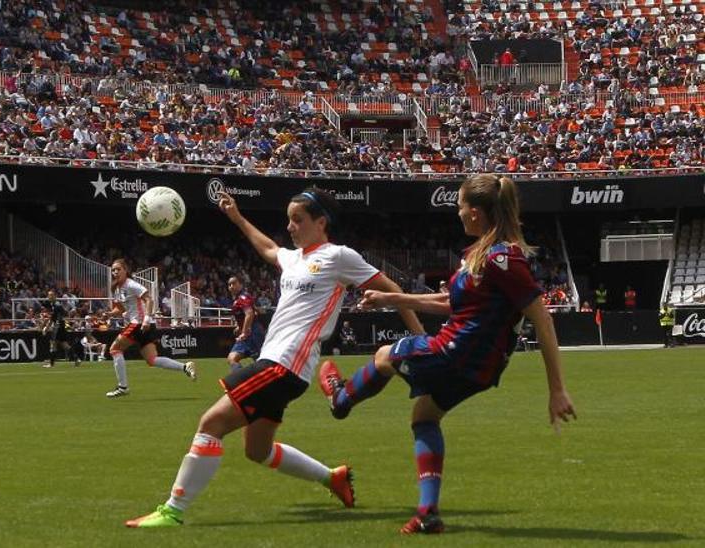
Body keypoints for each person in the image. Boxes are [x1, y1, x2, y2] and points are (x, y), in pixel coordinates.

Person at [125, 189, 422, 528]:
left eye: (298, 219)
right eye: (289, 219)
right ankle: (333, 478)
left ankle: (172, 511)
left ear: (321, 222)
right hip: (279, 364)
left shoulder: (338, 256)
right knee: (257, 450)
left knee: (211, 424)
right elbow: (267, 248)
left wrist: (420, 339)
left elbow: (393, 289)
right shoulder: (294, 258)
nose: (290, 226)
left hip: (285, 364)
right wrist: (237, 218)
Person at [317, 175, 577, 534]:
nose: (456, 213)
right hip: (479, 368)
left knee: (383, 356)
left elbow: (543, 321)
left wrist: (557, 389)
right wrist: (394, 298)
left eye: (459, 206)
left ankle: (340, 398)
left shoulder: (502, 259)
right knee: (424, 417)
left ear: (475, 213)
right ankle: (428, 513)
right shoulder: (482, 256)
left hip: (457, 353)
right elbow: (450, 303)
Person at [103, 258, 197, 398]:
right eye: (113, 270)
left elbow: (149, 299)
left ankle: (123, 387)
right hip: (143, 324)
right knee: (152, 360)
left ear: (125, 270)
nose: (115, 272)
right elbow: (121, 308)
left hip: (139, 323)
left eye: (118, 269)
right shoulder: (118, 289)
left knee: (115, 349)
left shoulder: (131, 284)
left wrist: (146, 318)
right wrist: (109, 314)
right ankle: (185, 367)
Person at [225, 276, 264, 372]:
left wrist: (244, 332)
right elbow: (253, 312)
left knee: (260, 362)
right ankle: (243, 381)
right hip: (247, 333)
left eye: (234, 283)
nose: (231, 286)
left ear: (240, 284)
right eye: (229, 285)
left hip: (253, 333)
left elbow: (249, 314)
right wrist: (240, 326)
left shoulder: (243, 297)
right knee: (232, 358)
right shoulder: (238, 299)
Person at [41, 290, 74, 368]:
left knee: (53, 344)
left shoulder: (56, 305)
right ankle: (76, 359)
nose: (50, 297)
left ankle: (51, 364)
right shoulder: (55, 305)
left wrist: (46, 328)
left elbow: (53, 318)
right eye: (49, 295)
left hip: (57, 326)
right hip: (60, 325)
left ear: (55, 296)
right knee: (65, 345)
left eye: (51, 295)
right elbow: (64, 313)